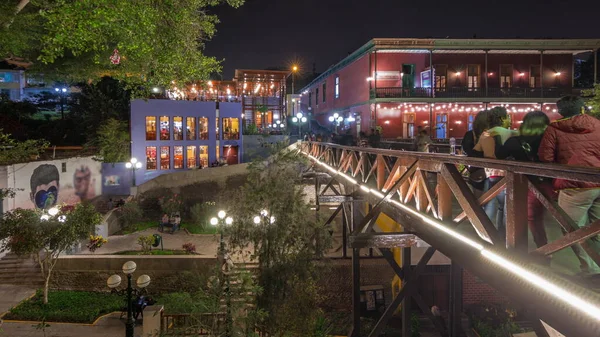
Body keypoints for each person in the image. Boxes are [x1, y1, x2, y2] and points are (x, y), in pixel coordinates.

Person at [538, 95, 600, 276]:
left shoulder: (554, 129)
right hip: (598, 182)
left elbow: (545, 158)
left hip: (573, 185)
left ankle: (591, 269)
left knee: (571, 229)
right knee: (596, 229)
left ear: (560, 112)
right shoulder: (598, 125)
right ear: (582, 109)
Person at [496, 111, 552, 252]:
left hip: (524, 184)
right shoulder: (550, 140)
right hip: (551, 183)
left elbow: (500, 155)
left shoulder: (515, 141)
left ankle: (536, 250)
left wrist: (497, 140)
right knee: (561, 219)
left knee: (530, 217)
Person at [474, 107, 511, 241]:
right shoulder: (510, 133)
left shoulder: (485, 134)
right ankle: (503, 235)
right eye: (508, 116)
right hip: (507, 174)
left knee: (489, 203)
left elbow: (475, 151)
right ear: (502, 118)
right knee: (505, 207)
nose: (510, 119)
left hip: (490, 174)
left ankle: (485, 233)